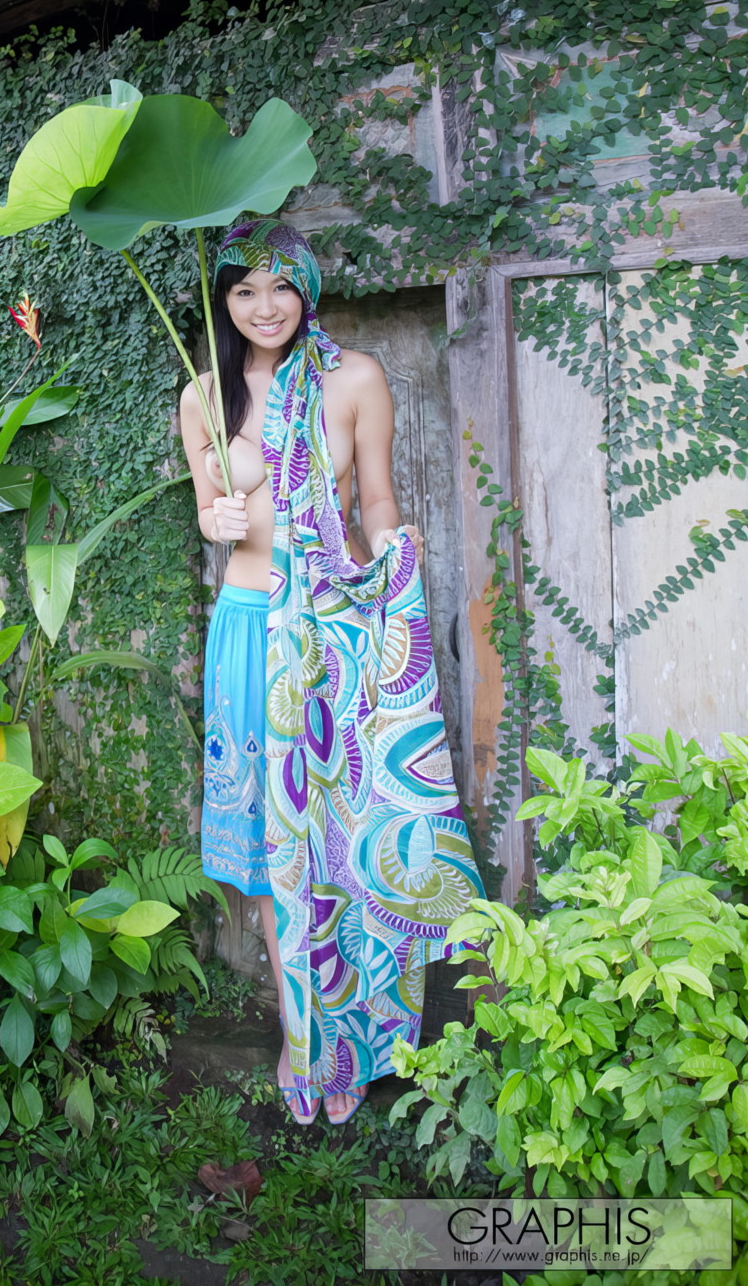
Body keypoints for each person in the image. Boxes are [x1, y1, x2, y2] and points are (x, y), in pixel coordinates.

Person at [180, 219, 481, 1126]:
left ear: (307, 287)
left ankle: (364, 1038)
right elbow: (207, 509)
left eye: (281, 285)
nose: (264, 306)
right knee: (276, 858)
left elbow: (377, 499)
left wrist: (394, 554)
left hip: (335, 635)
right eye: (244, 290)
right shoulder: (204, 395)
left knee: (344, 845)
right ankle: (303, 1040)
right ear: (225, 300)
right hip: (248, 632)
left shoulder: (355, 380)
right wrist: (217, 521)